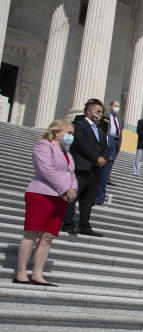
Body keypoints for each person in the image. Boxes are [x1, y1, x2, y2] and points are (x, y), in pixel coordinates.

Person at [14, 119, 78, 286]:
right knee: (32, 233)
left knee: (48, 237)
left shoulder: (68, 153)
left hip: (60, 198)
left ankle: (37, 274)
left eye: (72, 134)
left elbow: (71, 175)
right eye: (68, 132)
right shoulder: (44, 145)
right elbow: (46, 170)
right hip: (41, 194)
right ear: (57, 132)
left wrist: (73, 190)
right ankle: (21, 273)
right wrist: (65, 189)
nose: (71, 136)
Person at [62, 98, 108, 236]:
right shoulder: (79, 124)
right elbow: (81, 143)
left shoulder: (100, 130)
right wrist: (96, 158)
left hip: (95, 170)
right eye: (98, 111)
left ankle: (84, 225)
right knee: (73, 197)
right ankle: (68, 223)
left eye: (101, 112)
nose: (100, 114)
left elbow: (106, 148)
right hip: (81, 166)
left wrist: (104, 159)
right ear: (89, 111)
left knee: (88, 200)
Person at [96, 99, 122, 205]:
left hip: (115, 142)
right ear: (110, 106)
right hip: (105, 140)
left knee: (107, 170)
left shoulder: (120, 120)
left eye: (119, 106)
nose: (117, 108)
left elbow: (120, 134)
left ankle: (100, 198)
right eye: (115, 105)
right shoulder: (105, 117)